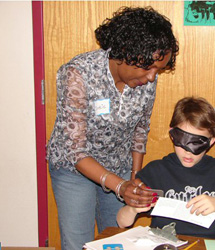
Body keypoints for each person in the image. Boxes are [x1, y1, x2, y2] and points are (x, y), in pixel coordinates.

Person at [46, 6, 179, 250]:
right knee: (78, 243)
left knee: (117, 241)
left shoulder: (147, 77)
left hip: (118, 165)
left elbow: (141, 129)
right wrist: (120, 186)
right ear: (126, 53)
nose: (152, 77)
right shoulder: (78, 73)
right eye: (148, 68)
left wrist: (133, 178)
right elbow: (76, 152)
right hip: (73, 170)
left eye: (158, 70)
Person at [117, 97, 215, 239]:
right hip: (165, 244)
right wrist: (133, 208)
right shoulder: (155, 172)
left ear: (212, 141)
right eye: (182, 140)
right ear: (172, 135)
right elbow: (122, 222)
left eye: (197, 143)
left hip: (207, 245)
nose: (188, 152)